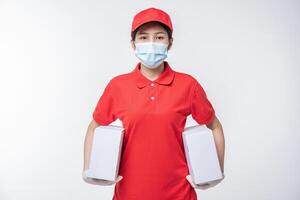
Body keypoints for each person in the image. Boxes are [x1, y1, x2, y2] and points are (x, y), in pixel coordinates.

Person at [83, 7, 225, 200]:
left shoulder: (187, 85)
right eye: (143, 37)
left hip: (179, 193)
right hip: (129, 193)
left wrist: (216, 172)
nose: (151, 43)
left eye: (159, 37)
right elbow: (94, 127)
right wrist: (89, 170)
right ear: (133, 44)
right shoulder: (118, 86)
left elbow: (214, 126)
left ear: (170, 43)